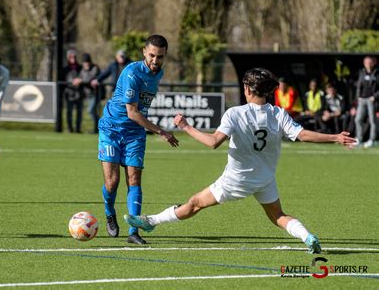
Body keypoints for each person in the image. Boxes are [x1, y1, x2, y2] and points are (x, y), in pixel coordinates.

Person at [125, 68, 356, 254]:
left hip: (236, 180)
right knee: (278, 216)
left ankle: (151, 221)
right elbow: (303, 135)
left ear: (247, 88)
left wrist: (186, 127)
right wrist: (334, 137)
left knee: (194, 203)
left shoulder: (235, 113)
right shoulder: (278, 113)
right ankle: (308, 236)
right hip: (265, 178)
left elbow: (213, 142)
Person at [98, 35, 179, 245]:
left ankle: (134, 232)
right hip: (112, 130)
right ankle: (109, 212)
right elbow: (132, 112)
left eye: (160, 56)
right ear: (144, 52)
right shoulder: (132, 73)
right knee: (112, 182)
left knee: (134, 179)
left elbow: (137, 115)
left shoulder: (158, 73)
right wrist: (161, 132)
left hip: (135, 134)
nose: (155, 60)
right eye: (151, 55)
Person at [354, 56, 378, 148]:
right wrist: (358, 97)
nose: (368, 64)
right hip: (362, 99)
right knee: (358, 119)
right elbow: (358, 86)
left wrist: (374, 97)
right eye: (366, 62)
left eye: (370, 62)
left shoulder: (376, 73)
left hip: (371, 100)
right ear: (364, 63)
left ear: (373, 63)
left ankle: (372, 140)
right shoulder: (361, 72)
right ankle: (359, 139)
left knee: (372, 120)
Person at [78, 53, 100, 133]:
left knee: (91, 110)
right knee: (93, 111)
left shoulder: (95, 68)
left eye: (87, 62)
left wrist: (80, 80)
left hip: (95, 94)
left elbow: (90, 78)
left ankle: (99, 127)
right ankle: (97, 128)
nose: (86, 64)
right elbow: (80, 77)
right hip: (87, 94)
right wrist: (77, 80)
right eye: (84, 62)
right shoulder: (82, 70)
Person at [63, 49, 83, 133]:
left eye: (74, 57)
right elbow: (64, 79)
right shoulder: (65, 69)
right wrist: (72, 82)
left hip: (79, 93)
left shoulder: (80, 68)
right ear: (68, 58)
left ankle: (78, 128)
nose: (73, 59)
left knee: (79, 112)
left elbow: (83, 76)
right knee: (69, 112)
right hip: (69, 93)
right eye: (71, 57)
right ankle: (70, 128)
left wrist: (80, 80)